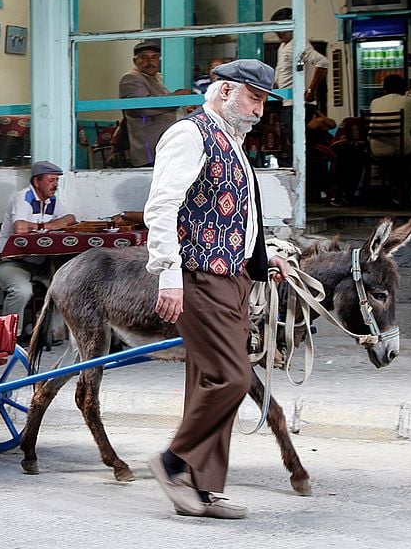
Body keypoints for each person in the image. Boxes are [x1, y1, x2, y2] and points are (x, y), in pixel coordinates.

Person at [143, 58, 289, 520]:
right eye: (254, 97)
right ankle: (172, 462)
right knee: (234, 377)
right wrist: (168, 275)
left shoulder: (231, 141)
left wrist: (265, 260)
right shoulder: (190, 135)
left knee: (209, 380)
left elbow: (238, 217)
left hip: (232, 275)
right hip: (198, 276)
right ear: (225, 91)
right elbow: (162, 206)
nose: (260, 110)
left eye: (263, 100)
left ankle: (202, 490)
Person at [0, 161, 76, 339]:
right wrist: (49, 226)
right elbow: (20, 228)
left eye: (57, 180)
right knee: (22, 291)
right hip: (8, 262)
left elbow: (71, 218)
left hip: (38, 263)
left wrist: (43, 225)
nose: (55, 184)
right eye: (51, 180)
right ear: (37, 182)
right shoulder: (23, 198)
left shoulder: (52, 201)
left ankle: (44, 332)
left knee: (67, 286)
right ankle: (7, 338)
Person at [119, 40, 178, 167]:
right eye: (144, 58)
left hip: (164, 149)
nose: (150, 62)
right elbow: (143, 108)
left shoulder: (155, 79)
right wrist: (176, 99)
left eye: (154, 57)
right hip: (149, 152)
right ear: (135, 61)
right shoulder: (131, 78)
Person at [369, 73, 411, 205]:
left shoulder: (374, 102)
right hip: (402, 149)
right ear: (404, 88)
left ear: (384, 89)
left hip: (376, 149)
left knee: (394, 160)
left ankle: (395, 188)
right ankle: (406, 190)